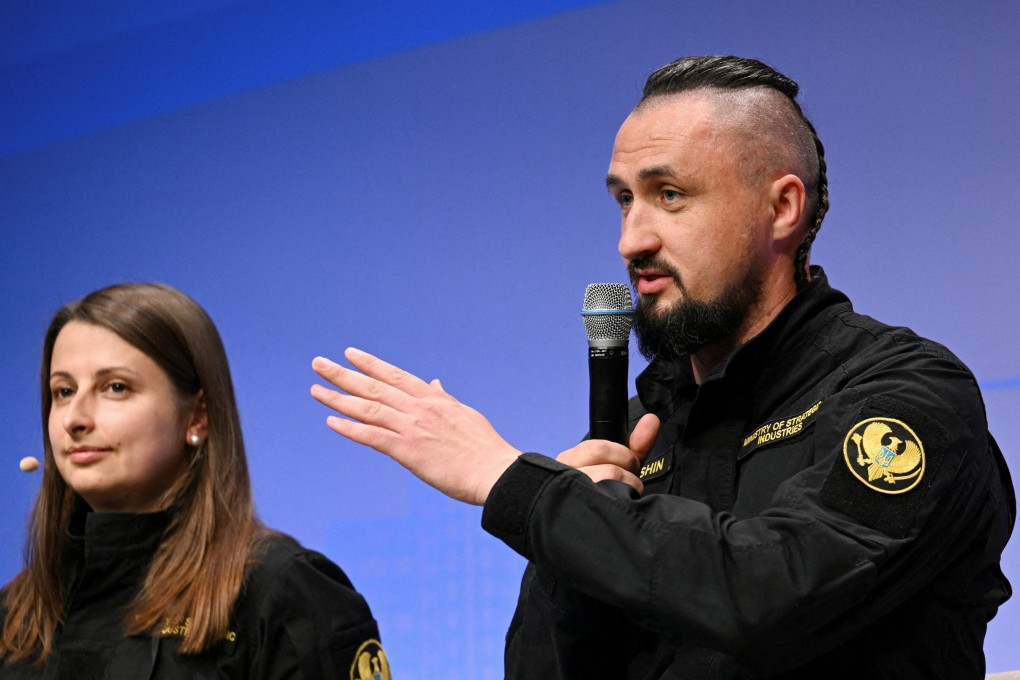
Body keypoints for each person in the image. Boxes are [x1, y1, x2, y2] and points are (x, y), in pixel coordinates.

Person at [309, 55, 1015, 678]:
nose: (631, 239)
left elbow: (765, 596)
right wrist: (570, 550)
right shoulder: (648, 428)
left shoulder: (905, 391)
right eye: (624, 199)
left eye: (669, 195)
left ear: (783, 209)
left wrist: (515, 483)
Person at [1, 283, 388, 680]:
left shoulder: (280, 593)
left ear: (197, 416)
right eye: (63, 392)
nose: (74, 419)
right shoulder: (12, 613)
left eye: (115, 387)